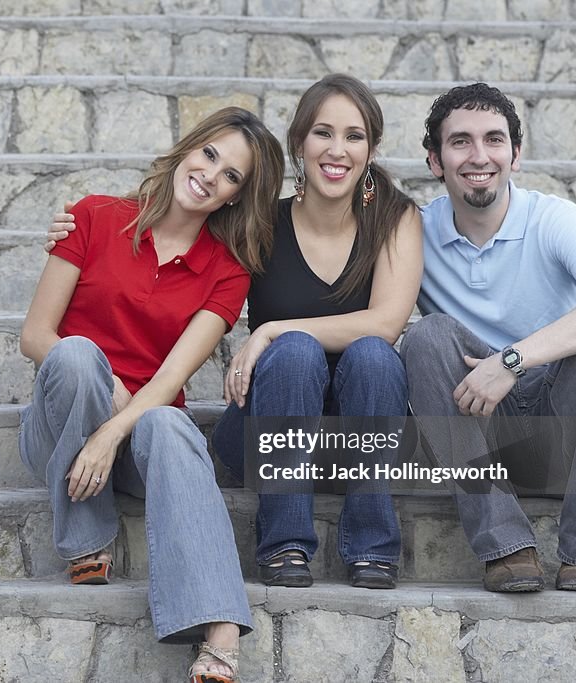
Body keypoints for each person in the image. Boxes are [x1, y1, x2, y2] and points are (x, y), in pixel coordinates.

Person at [48, 74, 423, 592]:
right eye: (323, 133)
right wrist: (80, 225)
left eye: (354, 136)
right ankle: (285, 544)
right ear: (299, 144)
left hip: (358, 440)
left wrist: (271, 329)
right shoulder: (259, 225)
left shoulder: (396, 217)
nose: (338, 150)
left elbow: (387, 323)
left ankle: (373, 549)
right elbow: (182, 222)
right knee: (294, 354)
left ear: (372, 148)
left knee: (373, 356)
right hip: (265, 436)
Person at [20, 107, 284, 683]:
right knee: (74, 353)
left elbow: (171, 380)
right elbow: (36, 336)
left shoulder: (227, 270)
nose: (212, 175)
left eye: (232, 175)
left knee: (169, 423)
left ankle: (217, 623)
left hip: (142, 443)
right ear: (188, 149)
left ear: (236, 197)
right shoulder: (92, 217)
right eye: (209, 155)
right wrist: (107, 391)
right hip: (63, 425)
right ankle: (86, 540)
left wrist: (116, 430)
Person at [400, 83, 576, 593]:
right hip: (475, 433)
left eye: (494, 140)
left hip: (565, 434)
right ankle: (507, 547)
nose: (479, 156)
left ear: (516, 155)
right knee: (428, 337)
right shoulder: (414, 234)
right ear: (434, 160)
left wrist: (511, 361)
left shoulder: (553, 219)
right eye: (460, 142)